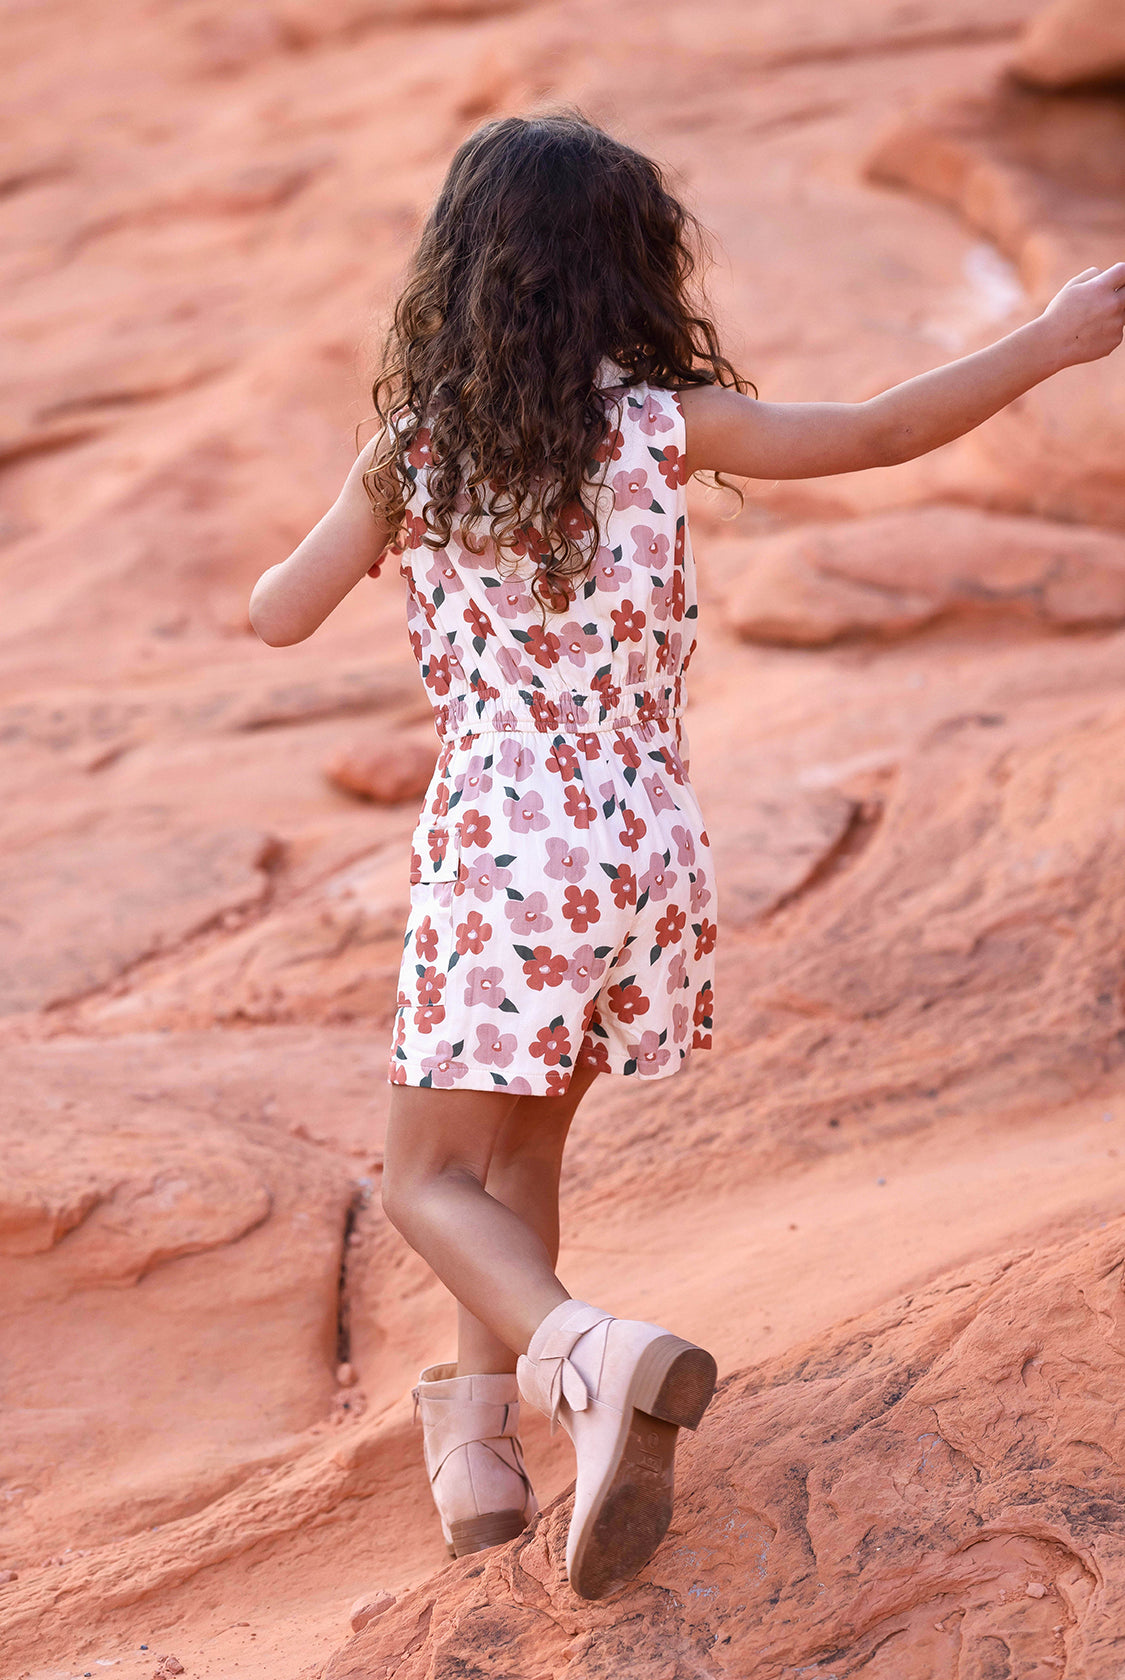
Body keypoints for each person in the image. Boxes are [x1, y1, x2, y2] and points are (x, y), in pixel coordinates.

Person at [249, 113, 1125, 1600]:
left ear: (455, 275)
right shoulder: (663, 423)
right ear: (627, 274)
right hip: (641, 845)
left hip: (500, 849)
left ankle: (585, 1357)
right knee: (520, 1145)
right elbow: (872, 431)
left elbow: (279, 612)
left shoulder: (412, 454)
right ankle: (479, 1448)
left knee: (419, 1182)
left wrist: (364, 504)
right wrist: (1043, 342)